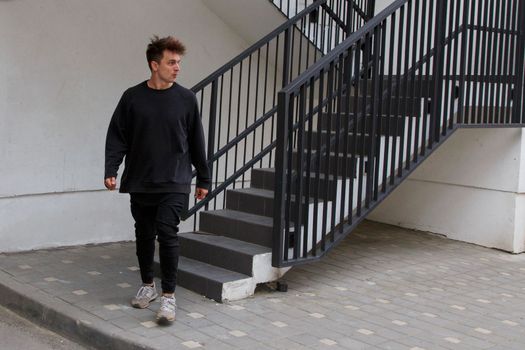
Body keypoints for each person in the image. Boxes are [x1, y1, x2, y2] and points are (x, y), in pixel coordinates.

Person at [104, 35, 210, 324]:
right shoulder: (132, 97)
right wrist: (111, 169)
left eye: (179, 63)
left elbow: (197, 141)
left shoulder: (186, 99)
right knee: (143, 233)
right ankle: (148, 285)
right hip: (141, 179)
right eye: (171, 62)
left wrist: (204, 177)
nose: (177, 68)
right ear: (155, 65)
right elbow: (117, 136)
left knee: (167, 232)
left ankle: (169, 297)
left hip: (175, 179)